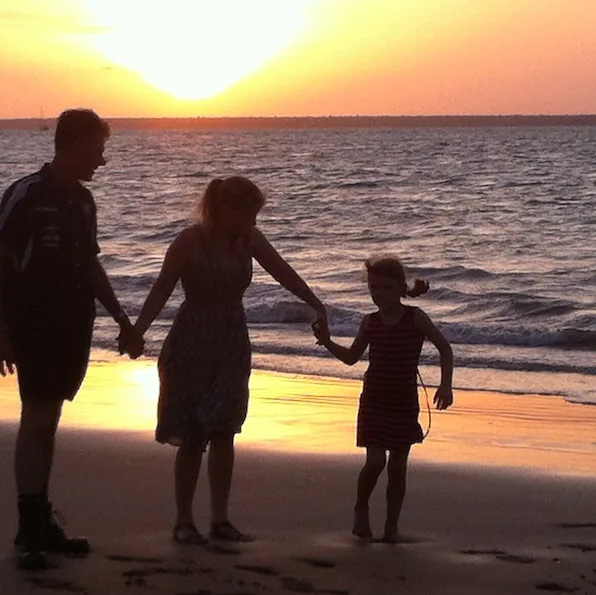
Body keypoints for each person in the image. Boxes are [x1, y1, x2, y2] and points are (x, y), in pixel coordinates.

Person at [0, 108, 143, 570]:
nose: (101, 160)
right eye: (97, 149)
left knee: (49, 414)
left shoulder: (84, 202)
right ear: (73, 144)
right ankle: (30, 527)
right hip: (31, 321)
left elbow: (90, 266)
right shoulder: (26, 195)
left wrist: (123, 321)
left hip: (74, 323)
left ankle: (39, 517)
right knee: (36, 415)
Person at [131, 176, 328, 544]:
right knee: (193, 434)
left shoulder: (249, 240)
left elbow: (283, 271)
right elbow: (162, 287)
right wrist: (137, 330)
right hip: (192, 343)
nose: (253, 223)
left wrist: (317, 303)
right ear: (224, 210)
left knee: (226, 429)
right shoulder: (190, 241)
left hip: (232, 343)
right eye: (248, 214)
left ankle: (220, 520)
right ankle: (184, 521)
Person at [313, 257, 453, 543]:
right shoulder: (370, 322)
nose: (379, 294)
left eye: (386, 288)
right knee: (375, 462)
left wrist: (446, 385)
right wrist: (327, 341)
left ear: (401, 288)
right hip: (374, 400)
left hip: (403, 401)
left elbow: (444, 348)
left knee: (398, 468)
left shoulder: (415, 317)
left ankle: (392, 527)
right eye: (373, 287)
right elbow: (352, 358)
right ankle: (361, 507)